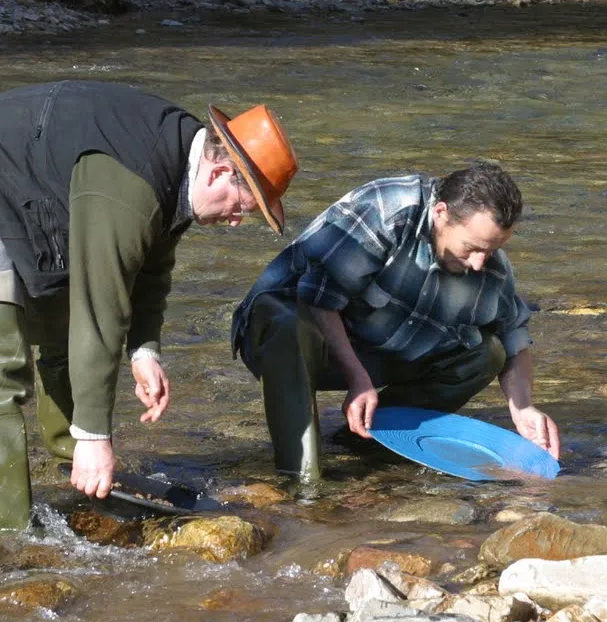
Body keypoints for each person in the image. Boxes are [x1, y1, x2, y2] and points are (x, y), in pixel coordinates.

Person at [0, 80, 299, 529]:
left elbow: (151, 265)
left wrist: (145, 350)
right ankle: (7, 534)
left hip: (35, 195)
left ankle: (78, 472)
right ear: (220, 173)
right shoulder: (131, 179)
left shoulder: (183, 161)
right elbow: (100, 306)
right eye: (243, 208)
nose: (234, 221)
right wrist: (97, 433)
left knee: (63, 335)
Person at [231, 160, 559, 483]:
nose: (479, 264)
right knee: (290, 324)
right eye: (472, 248)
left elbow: (514, 338)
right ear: (441, 213)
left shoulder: (490, 266)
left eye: (491, 250)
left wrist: (523, 408)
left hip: (375, 345)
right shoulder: (387, 212)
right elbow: (319, 297)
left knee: (488, 353)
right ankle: (301, 483)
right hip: (285, 333)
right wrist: (357, 377)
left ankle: (366, 440)